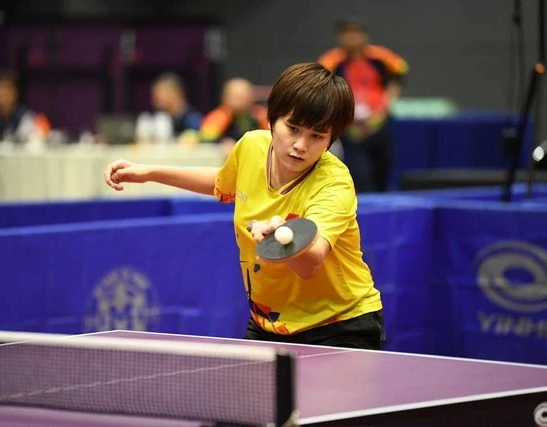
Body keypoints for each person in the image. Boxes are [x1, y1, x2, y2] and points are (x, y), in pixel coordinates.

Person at [103, 62, 384, 350]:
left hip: (340, 325)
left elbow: (310, 261)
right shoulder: (251, 146)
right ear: (272, 119)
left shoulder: (334, 182)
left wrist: (281, 241)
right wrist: (149, 172)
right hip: (269, 323)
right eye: (293, 128)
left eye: (317, 136)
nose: (300, 144)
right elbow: (222, 183)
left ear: (330, 140)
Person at [318, 17, 408, 193]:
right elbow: (320, 84)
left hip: (380, 122)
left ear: (364, 35)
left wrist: (388, 100)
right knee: (360, 174)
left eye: (356, 33)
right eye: (347, 33)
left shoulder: (380, 57)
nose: (352, 38)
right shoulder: (331, 61)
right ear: (340, 37)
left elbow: (401, 70)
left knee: (383, 170)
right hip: (350, 128)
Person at [198, 77, 269, 155]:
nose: (240, 101)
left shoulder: (260, 115)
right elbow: (205, 138)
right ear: (225, 97)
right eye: (236, 96)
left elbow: (272, 138)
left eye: (243, 96)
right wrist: (222, 142)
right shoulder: (219, 116)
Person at [0, 70, 41, 144]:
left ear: (15, 92)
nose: (1, 93)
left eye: (5, 89)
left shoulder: (26, 117)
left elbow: (25, 140)